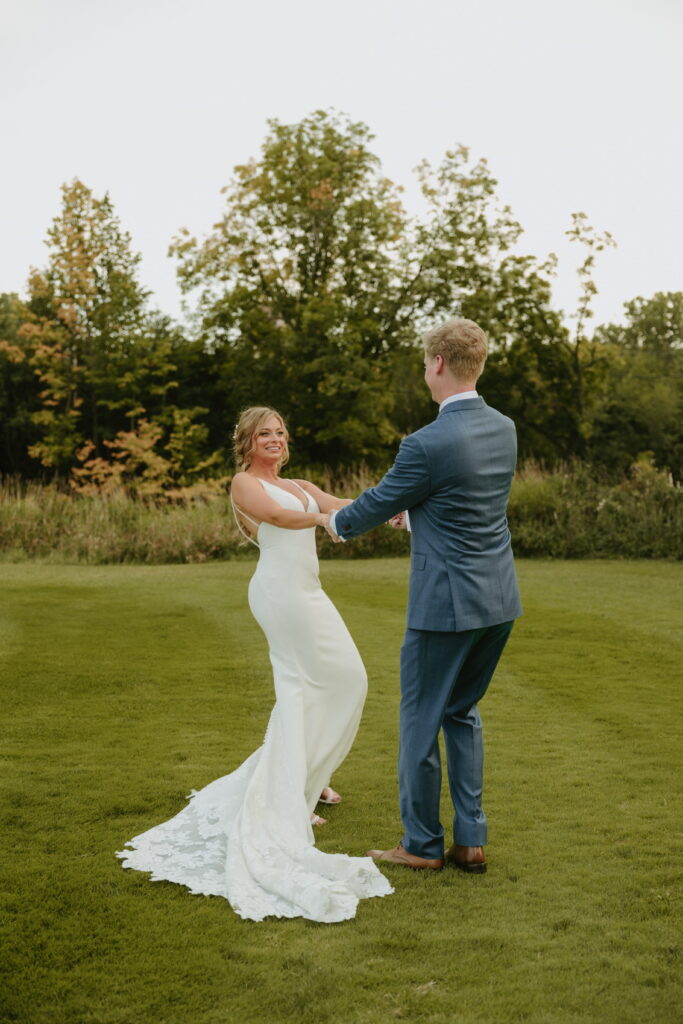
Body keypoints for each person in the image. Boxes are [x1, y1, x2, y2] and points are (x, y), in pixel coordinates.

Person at [117, 406, 392, 922]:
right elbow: (282, 519)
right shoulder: (244, 484)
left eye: (281, 433)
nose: (275, 439)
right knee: (305, 688)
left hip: (308, 592)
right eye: (265, 433)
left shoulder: (302, 483)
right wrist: (326, 520)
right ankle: (297, 791)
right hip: (280, 595)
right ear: (247, 441)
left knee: (345, 682)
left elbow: (351, 504)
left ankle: (308, 779)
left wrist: (391, 509)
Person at [328, 318, 522, 873]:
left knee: (419, 721)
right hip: (499, 599)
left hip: (446, 604)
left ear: (437, 364)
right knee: (462, 713)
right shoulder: (504, 428)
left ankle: (420, 844)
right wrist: (415, 516)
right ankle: (472, 839)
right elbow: (468, 507)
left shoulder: (425, 442)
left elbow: (371, 504)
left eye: (423, 362)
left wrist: (331, 519)